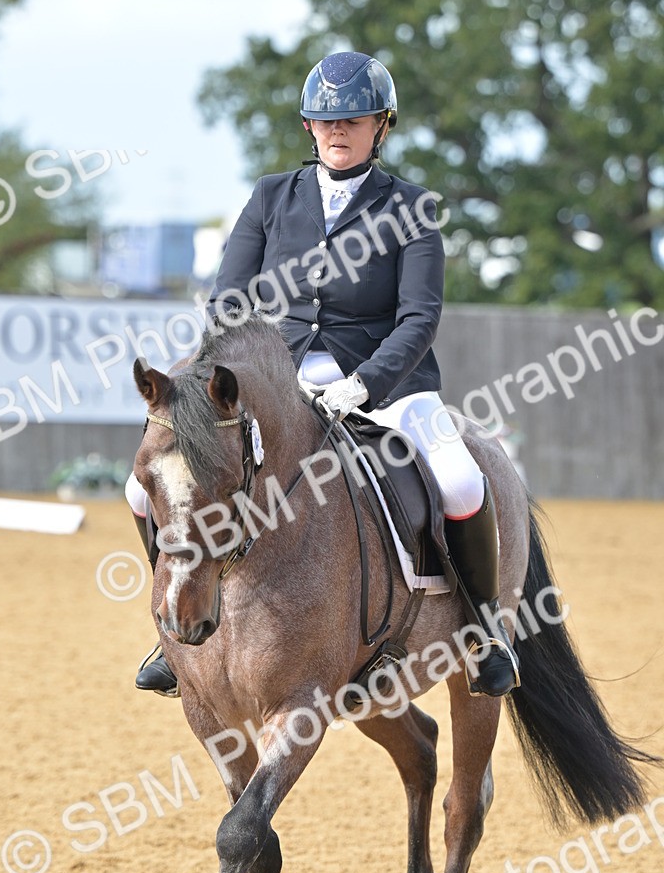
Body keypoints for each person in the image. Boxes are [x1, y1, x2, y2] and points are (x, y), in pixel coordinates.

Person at [131, 50, 520, 699]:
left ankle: (483, 630)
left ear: (381, 126)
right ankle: (174, 629)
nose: (338, 132)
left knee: (460, 482)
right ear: (308, 128)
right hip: (277, 383)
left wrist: (366, 383)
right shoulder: (269, 197)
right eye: (325, 121)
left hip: (387, 385)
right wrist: (228, 377)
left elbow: (419, 317)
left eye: (354, 120)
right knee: (144, 490)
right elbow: (230, 299)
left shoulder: (412, 208)